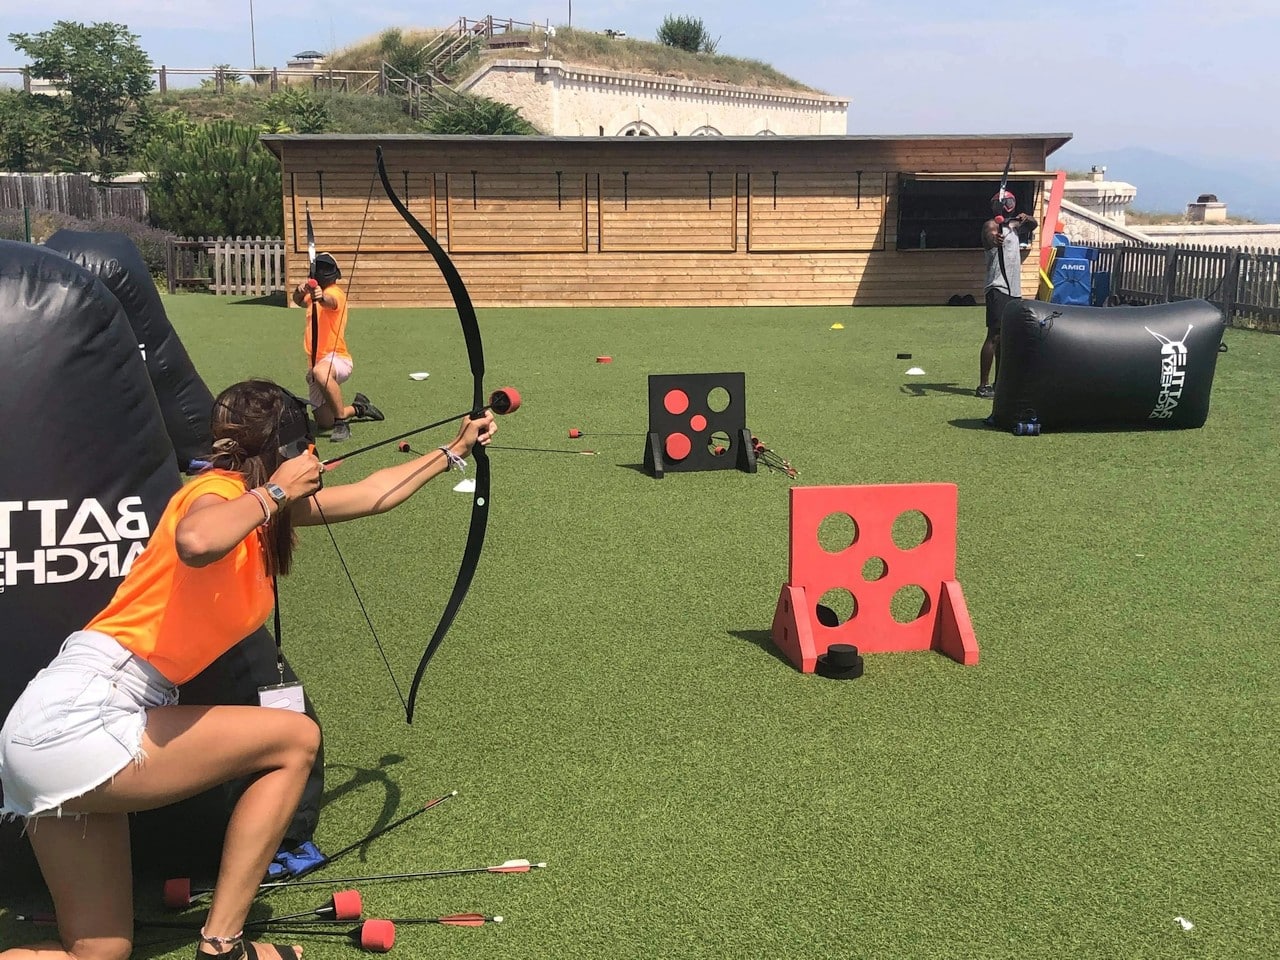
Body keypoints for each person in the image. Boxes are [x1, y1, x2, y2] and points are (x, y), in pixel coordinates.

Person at [0, 378, 496, 960]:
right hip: (82, 714)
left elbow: (373, 494)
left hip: (52, 737)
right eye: (305, 446)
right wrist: (277, 494)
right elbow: (197, 539)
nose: (315, 456)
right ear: (283, 454)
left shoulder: (259, 509)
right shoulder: (213, 492)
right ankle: (223, 944)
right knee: (295, 740)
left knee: (97, 955)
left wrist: (453, 451)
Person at [290, 253, 383, 442]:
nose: (322, 272)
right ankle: (359, 408)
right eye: (319, 268)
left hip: (337, 358)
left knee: (321, 374)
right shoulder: (311, 294)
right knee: (325, 421)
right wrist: (300, 290)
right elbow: (298, 300)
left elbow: (328, 301)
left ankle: (342, 424)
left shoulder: (335, 293)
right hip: (317, 364)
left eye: (326, 269)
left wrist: (320, 295)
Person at [977, 189, 1037, 398]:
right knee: (994, 335)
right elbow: (989, 238)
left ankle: (999, 382)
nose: (1008, 204)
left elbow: (1033, 225)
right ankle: (983, 385)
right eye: (1005, 202)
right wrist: (995, 239)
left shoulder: (1014, 226)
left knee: (1004, 337)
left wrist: (1027, 217)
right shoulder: (991, 226)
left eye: (1010, 201)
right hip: (997, 287)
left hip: (1014, 289)